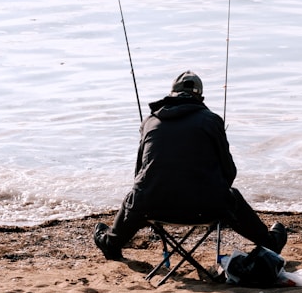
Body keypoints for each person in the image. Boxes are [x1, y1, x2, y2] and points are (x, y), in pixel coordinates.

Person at [94, 70, 287, 262]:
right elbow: (229, 172)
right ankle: (270, 243)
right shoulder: (211, 120)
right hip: (206, 209)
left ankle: (111, 244)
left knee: (137, 195)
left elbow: (139, 173)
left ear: (171, 94)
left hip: (152, 208)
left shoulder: (150, 122)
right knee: (232, 196)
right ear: (200, 97)